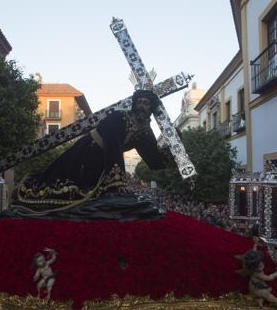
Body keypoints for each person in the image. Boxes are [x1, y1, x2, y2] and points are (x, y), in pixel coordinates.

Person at [12, 90, 176, 219]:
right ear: (133, 104)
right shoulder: (120, 117)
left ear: (151, 109)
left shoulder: (146, 132)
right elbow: (113, 144)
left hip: (104, 164)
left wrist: (174, 151)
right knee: (58, 180)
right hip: (86, 152)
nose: (141, 106)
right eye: (139, 102)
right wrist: (117, 183)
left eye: (146, 104)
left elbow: (154, 161)